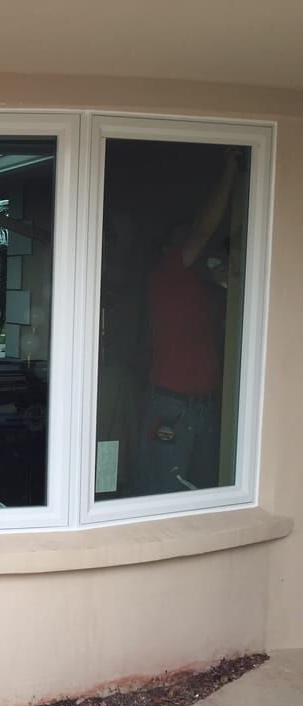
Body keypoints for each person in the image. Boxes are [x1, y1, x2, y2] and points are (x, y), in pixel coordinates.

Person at [138, 149, 240, 495]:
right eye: (183, 243)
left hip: (204, 406)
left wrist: (228, 278)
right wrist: (230, 170)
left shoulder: (199, 288)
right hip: (173, 408)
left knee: (203, 493)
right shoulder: (165, 275)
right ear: (170, 248)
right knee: (166, 493)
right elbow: (201, 230)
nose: (194, 248)